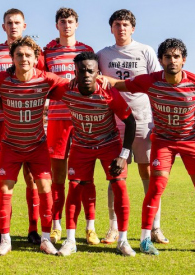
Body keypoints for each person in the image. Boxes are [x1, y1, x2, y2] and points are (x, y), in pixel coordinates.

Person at [103, 38, 195, 256]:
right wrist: (97, 77)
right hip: (163, 141)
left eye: (176, 56)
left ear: (183, 60)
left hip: (191, 141)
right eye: (167, 57)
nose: (172, 61)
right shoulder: (150, 80)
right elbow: (119, 84)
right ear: (160, 60)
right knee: (156, 186)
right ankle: (145, 239)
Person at [0, 36, 68, 256]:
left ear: (36, 59)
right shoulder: (1, 79)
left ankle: (45, 238)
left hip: (37, 145)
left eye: (28, 55)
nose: (23, 58)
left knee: (44, 188)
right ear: (12, 58)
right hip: (10, 145)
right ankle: (5, 240)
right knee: (5, 189)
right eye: (19, 55)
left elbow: (71, 86)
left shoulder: (46, 79)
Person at [97, 9, 169, 245]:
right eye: (117, 24)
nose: (121, 28)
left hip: (142, 121)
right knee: (115, 175)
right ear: (111, 28)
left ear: (133, 28)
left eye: (126, 24)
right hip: (113, 123)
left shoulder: (145, 51)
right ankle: (113, 227)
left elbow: (155, 84)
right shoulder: (103, 55)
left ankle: (155, 226)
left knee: (147, 174)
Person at [56, 51, 136, 257]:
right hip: (81, 145)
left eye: (90, 70)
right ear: (75, 72)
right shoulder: (66, 90)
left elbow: (130, 122)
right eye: (81, 70)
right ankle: (71, 240)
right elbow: (43, 82)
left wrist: (124, 154)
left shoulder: (108, 93)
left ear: (98, 72)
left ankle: (123, 241)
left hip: (109, 144)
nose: (86, 74)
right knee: (74, 187)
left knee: (119, 185)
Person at [0, 8, 45, 246]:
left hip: (30, 123)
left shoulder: (36, 52)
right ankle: (3, 231)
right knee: (1, 181)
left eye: (17, 22)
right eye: (9, 22)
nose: (13, 26)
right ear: (3, 27)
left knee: (33, 179)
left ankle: (33, 228)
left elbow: (43, 79)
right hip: (3, 124)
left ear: (25, 25)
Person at [43, 7, 99, 245]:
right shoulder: (47, 51)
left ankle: (90, 227)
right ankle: (56, 226)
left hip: (84, 118)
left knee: (85, 178)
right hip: (57, 119)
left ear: (77, 24)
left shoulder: (87, 51)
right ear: (57, 25)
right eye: (63, 21)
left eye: (71, 21)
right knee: (57, 177)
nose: (67, 25)